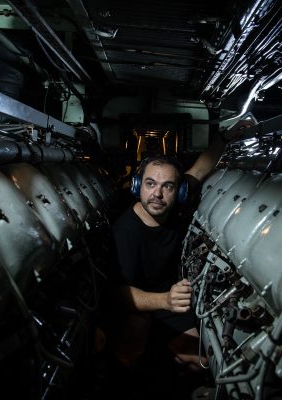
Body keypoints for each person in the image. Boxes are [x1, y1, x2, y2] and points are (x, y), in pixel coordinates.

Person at [109, 119, 253, 372]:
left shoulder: (177, 207)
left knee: (201, 363)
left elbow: (199, 169)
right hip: (138, 304)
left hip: (169, 299)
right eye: (150, 184)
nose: (157, 194)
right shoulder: (125, 231)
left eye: (168, 187)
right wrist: (165, 300)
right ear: (137, 186)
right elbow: (119, 295)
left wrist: (227, 137)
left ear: (180, 192)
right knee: (130, 347)